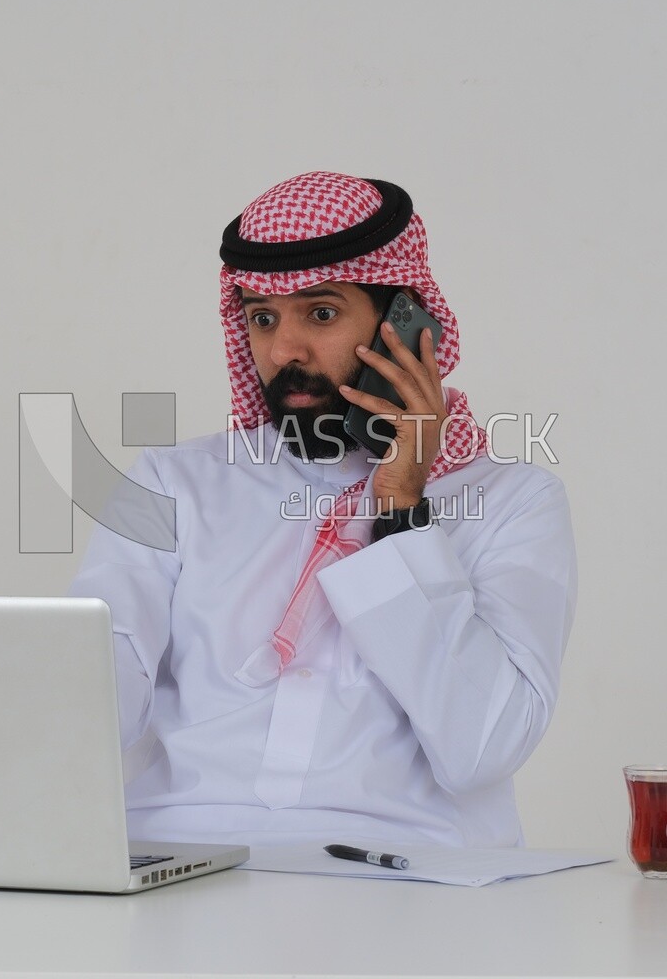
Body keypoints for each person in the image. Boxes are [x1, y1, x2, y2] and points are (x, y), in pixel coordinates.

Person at [68, 171, 577, 848]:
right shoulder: (173, 482)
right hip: (183, 862)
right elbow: (89, 698)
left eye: (322, 313)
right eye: (263, 318)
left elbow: (482, 746)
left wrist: (399, 508)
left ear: (404, 322)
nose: (284, 352)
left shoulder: (513, 503)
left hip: (410, 885)